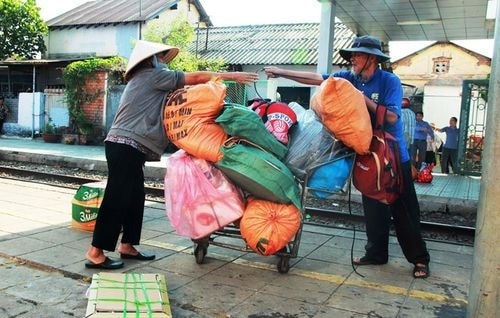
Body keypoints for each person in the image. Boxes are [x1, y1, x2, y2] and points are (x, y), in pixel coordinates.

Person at [264, 35, 430, 278]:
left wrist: (359, 97)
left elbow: (392, 117)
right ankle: (376, 254)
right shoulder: (348, 78)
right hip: (365, 155)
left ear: (372, 59)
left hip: (391, 157)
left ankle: (419, 259)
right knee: (373, 207)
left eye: (358, 54)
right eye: (352, 54)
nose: (353, 58)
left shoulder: (388, 81)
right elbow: (318, 78)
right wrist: (280, 72)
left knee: (403, 208)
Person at [85, 40, 259, 269]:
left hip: (129, 147)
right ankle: (95, 252)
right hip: (124, 145)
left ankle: (127, 245)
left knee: (135, 196)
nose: (163, 62)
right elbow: (194, 78)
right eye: (160, 58)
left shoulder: (148, 79)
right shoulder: (152, 76)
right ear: (149, 60)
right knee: (117, 197)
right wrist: (229, 77)